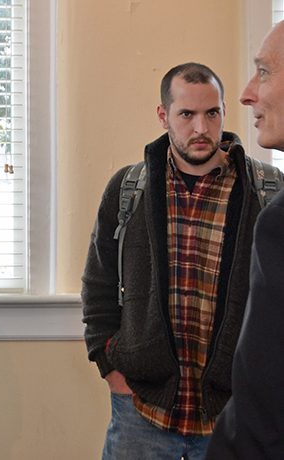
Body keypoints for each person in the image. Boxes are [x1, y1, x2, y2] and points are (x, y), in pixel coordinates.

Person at [81, 62, 281, 460]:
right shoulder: (129, 189)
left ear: (225, 111)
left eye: (212, 113)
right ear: (163, 115)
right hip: (142, 410)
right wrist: (112, 369)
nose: (201, 128)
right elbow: (98, 286)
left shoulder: (268, 192)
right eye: (187, 114)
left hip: (233, 412)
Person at [205, 21, 284, 460]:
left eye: (264, 72)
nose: (247, 93)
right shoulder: (129, 186)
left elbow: (264, 407)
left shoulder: (276, 215)